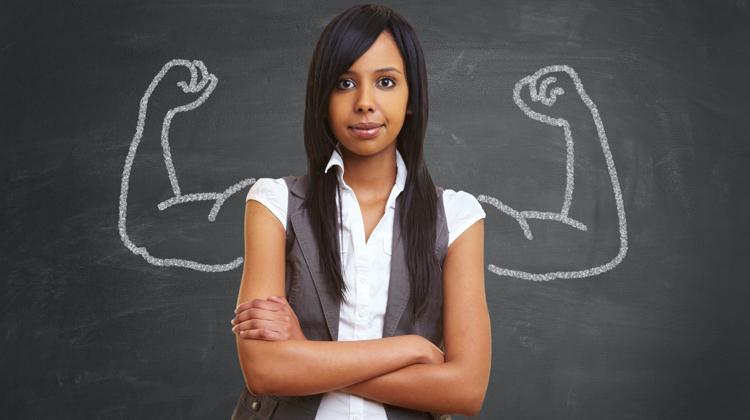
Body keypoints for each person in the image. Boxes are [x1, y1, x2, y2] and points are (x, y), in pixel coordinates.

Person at [229, 4, 491, 419]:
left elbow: (466, 391)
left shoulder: (457, 217)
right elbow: (264, 371)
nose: (365, 102)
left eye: (386, 81)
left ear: (411, 98)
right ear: (322, 97)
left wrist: (308, 357)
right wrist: (414, 350)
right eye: (345, 82)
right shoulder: (274, 203)